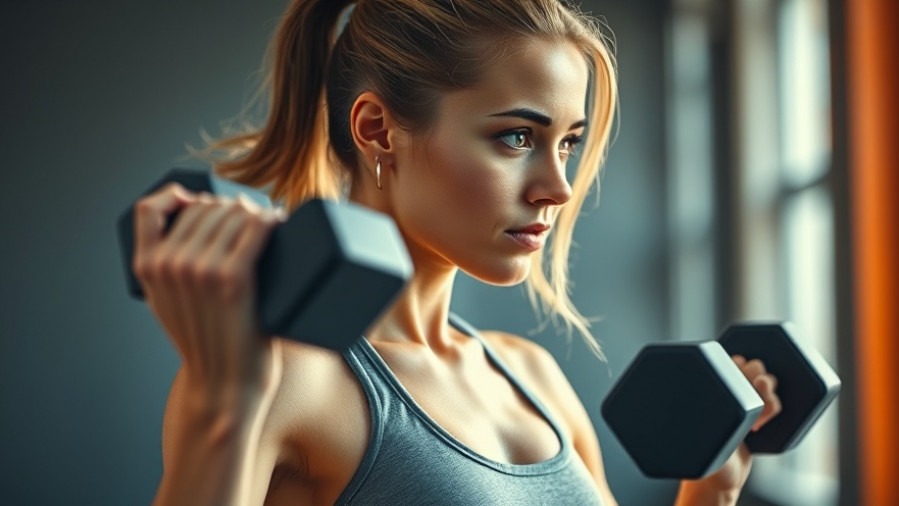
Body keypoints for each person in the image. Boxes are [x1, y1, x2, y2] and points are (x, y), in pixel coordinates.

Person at [132, 0, 782, 504]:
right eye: (515, 137)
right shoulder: (282, 377)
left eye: (567, 144)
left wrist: (710, 492)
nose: (556, 188)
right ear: (376, 130)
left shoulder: (531, 377)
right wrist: (223, 403)